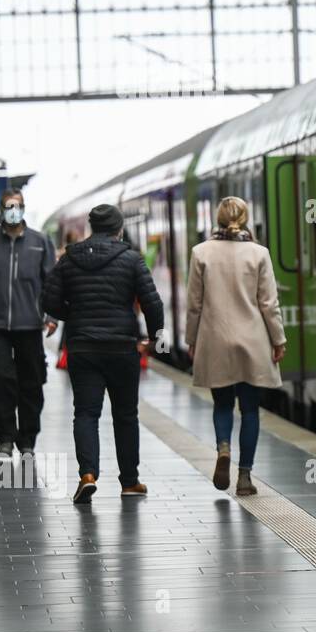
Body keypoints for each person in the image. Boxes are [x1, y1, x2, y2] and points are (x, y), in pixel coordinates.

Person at [42, 204, 165, 504]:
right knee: (125, 415)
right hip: (122, 347)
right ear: (119, 229)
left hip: (82, 346)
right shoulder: (131, 259)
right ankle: (130, 482)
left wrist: (73, 314)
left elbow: (49, 299)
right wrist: (155, 337)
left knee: (85, 412)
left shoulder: (70, 259)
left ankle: (87, 475)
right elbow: (152, 303)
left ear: (92, 228)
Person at [185, 196, 286, 496]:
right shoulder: (259, 254)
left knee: (223, 404)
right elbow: (269, 303)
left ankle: (223, 449)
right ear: (245, 219)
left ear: (217, 219)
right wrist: (278, 339)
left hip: (215, 339)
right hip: (252, 342)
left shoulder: (200, 252)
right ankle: (245, 477)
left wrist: (192, 340)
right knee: (250, 409)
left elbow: (194, 304)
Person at [0, 190, 57, 460]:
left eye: (17, 206)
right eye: (8, 206)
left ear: (24, 208)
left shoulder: (40, 242)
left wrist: (51, 317)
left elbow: (50, 284)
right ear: (1, 209)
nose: (13, 211)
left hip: (30, 326)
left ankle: (27, 438)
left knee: (32, 383)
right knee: (2, 381)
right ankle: (5, 437)